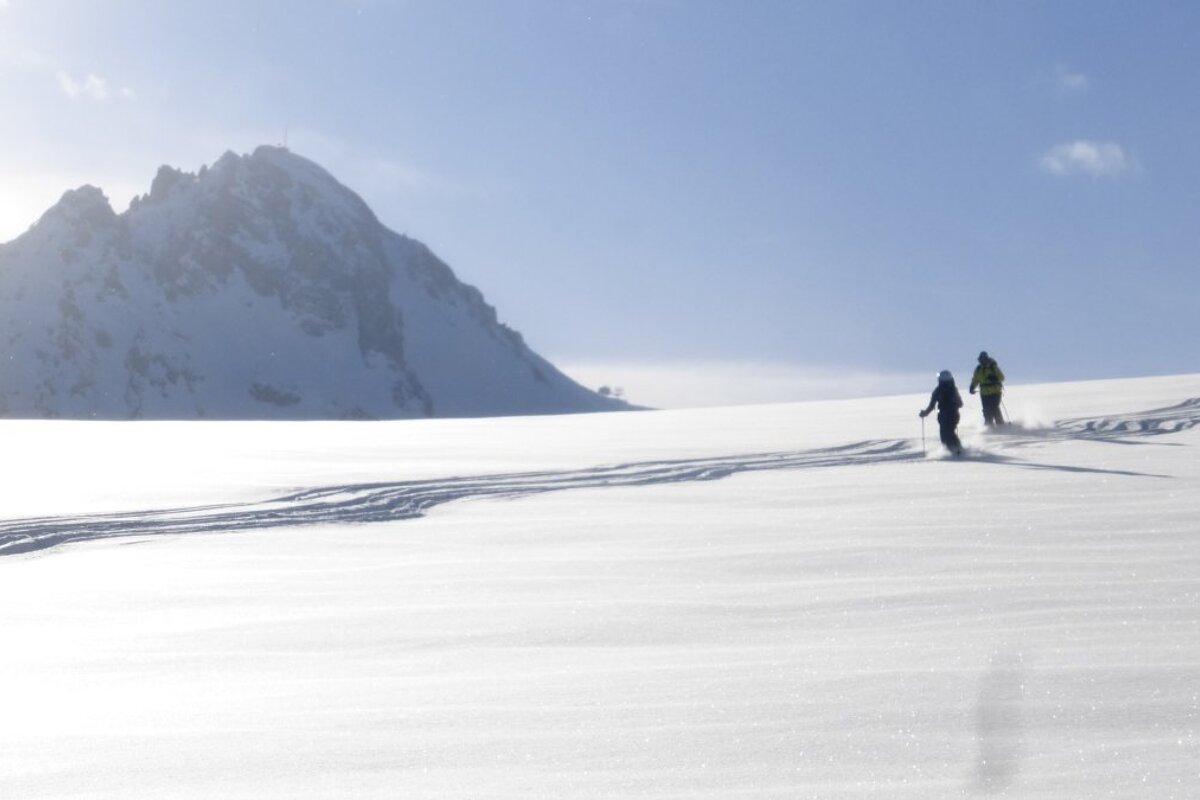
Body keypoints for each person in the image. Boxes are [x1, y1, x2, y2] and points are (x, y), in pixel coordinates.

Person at [919, 370, 964, 455]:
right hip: (950, 415)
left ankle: (956, 450)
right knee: (948, 433)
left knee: (947, 433)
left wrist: (925, 413)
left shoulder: (939, 390)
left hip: (947, 415)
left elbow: (932, 405)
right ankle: (956, 450)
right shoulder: (952, 389)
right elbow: (960, 403)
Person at [969, 351, 1006, 427]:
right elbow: (975, 379)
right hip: (984, 393)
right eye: (981, 359)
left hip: (995, 391)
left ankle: (1000, 424)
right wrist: (972, 386)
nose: (982, 361)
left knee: (994, 408)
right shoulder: (978, 369)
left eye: (983, 359)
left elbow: (1001, 377)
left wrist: (994, 378)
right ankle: (989, 425)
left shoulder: (993, 367)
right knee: (986, 410)